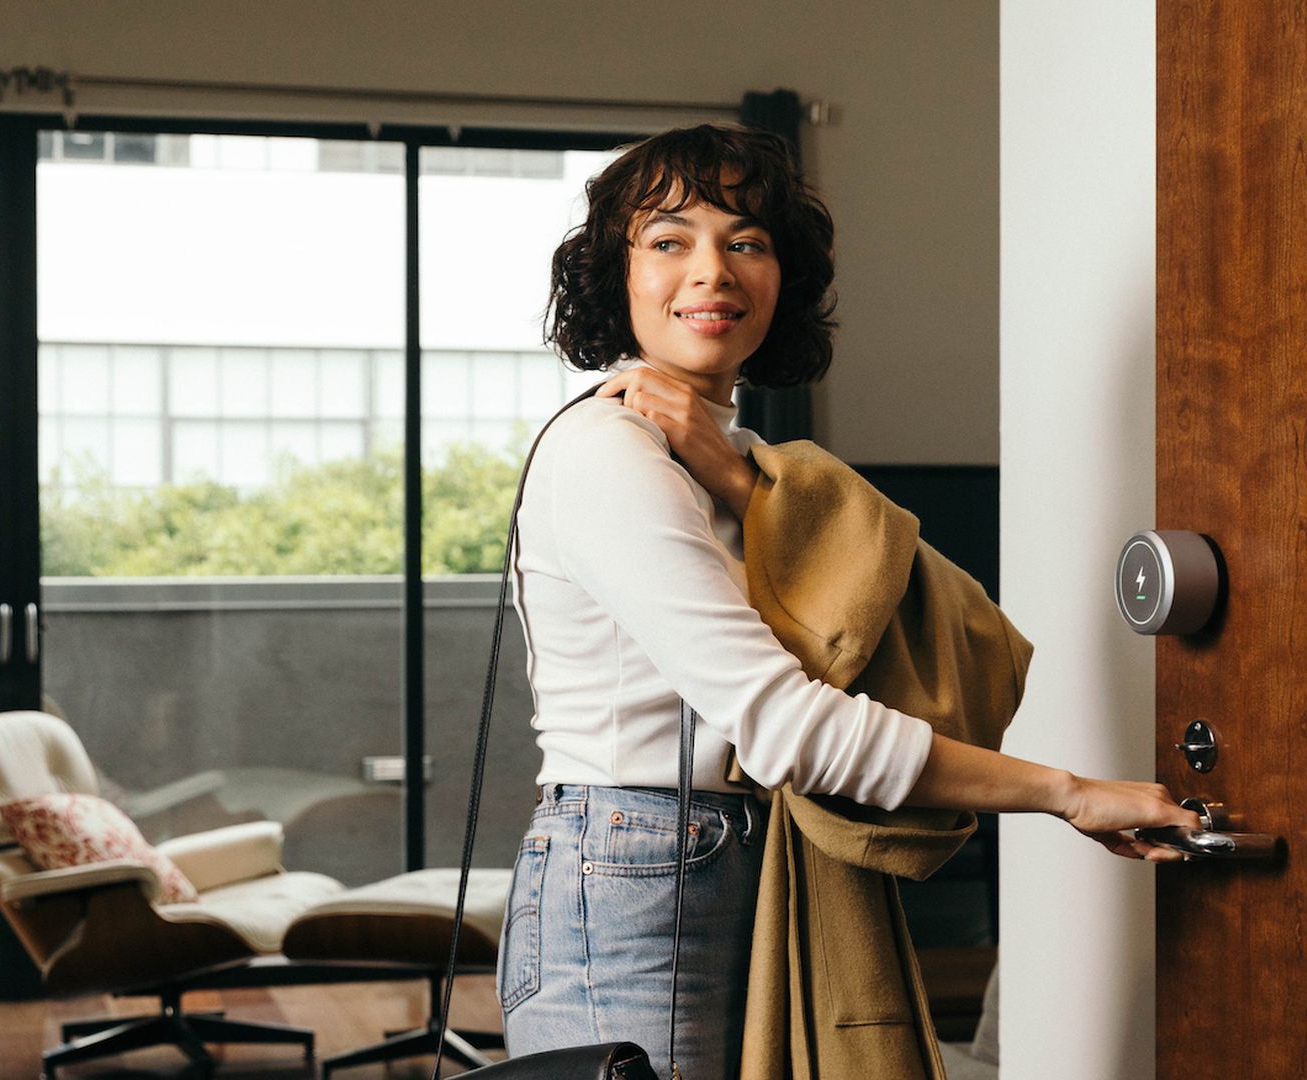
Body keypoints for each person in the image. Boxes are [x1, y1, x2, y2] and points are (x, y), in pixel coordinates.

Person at [498, 123, 1197, 1078]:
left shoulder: (751, 467)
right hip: (632, 868)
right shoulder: (605, 453)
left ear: (782, 277)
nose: (712, 271)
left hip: (730, 853)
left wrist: (741, 482)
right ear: (615, 277)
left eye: (747, 241)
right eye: (668, 240)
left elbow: (960, 636)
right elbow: (787, 726)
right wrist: (1069, 795)